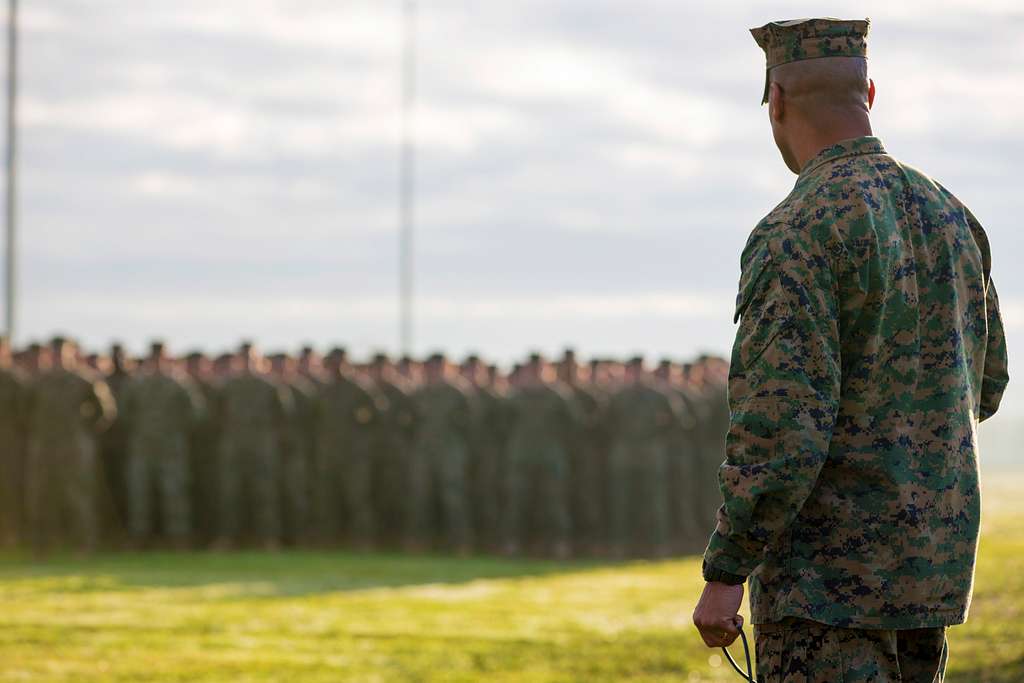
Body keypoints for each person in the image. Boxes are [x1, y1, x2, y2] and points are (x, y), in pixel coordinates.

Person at [692, 18, 1009, 682]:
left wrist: (727, 568)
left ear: (776, 101)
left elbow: (783, 424)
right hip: (929, 578)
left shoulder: (797, 230)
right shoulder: (953, 217)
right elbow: (989, 384)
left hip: (825, 590)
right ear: (869, 89)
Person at [24, 337, 117, 555]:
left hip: (74, 448)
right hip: (43, 446)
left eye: (63, 353)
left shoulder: (85, 380)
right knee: (41, 496)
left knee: (78, 496)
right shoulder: (39, 381)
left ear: (72, 354)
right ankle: (41, 546)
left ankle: (84, 544)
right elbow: (24, 411)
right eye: (55, 353)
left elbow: (106, 412)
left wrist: (85, 432)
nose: (58, 358)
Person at [120, 341, 204, 548]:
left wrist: (175, 431)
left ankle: (178, 539)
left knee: (174, 495)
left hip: (171, 449)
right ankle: (139, 539)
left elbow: (197, 414)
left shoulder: (179, 384)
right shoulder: (137, 384)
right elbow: (123, 414)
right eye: (154, 359)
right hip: (143, 448)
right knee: (139, 495)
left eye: (161, 358)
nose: (157, 363)